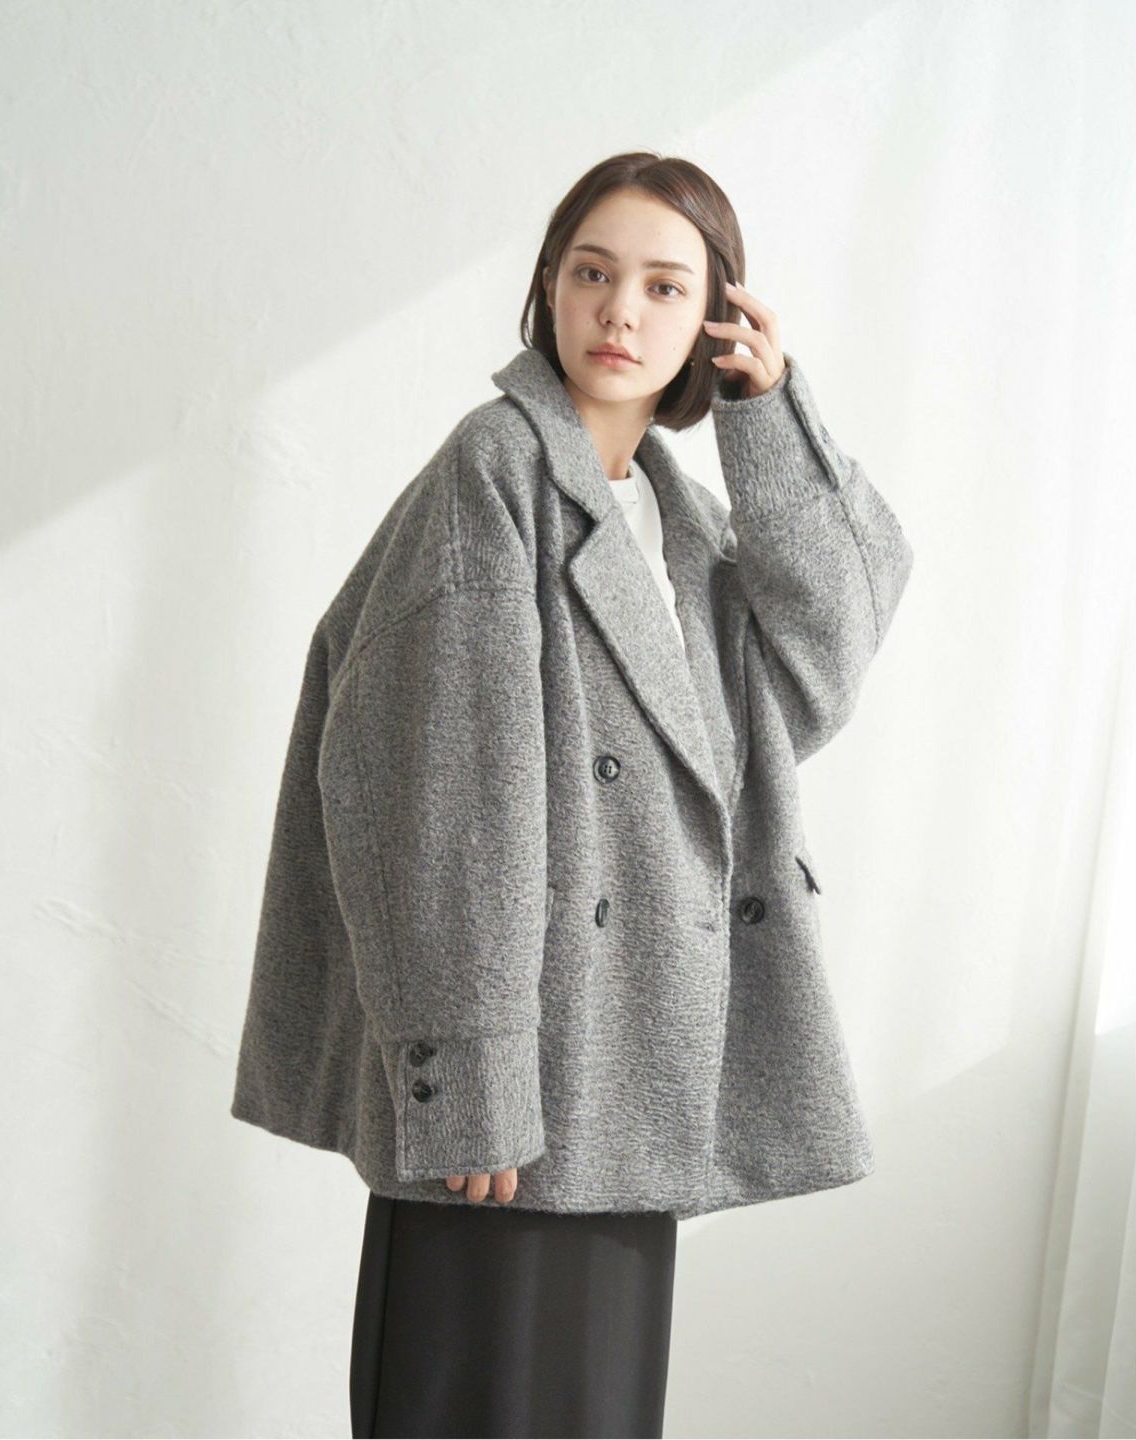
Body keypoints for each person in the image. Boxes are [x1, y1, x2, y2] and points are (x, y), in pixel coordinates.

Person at [230, 150, 914, 1438]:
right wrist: (471, 1072)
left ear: (715, 318)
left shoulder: (676, 517)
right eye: (593, 273)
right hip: (519, 1089)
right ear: (548, 285)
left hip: (631, 1071)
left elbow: (822, 664)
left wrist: (773, 417)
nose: (620, 313)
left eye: (665, 286)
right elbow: (435, 801)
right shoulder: (493, 472)